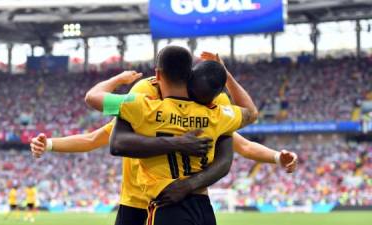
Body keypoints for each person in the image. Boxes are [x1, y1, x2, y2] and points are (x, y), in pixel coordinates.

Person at [31, 48, 297, 225]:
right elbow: (246, 128)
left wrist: (275, 156)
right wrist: (51, 144)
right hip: (142, 202)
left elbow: (98, 129)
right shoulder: (205, 114)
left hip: (162, 202)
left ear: (159, 75)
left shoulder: (145, 109)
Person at [84, 48, 256, 224]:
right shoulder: (216, 114)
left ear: (158, 74)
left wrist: (118, 79)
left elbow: (92, 97)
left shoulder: (144, 107)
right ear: (190, 74)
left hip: (166, 204)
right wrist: (225, 75)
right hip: (203, 209)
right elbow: (251, 112)